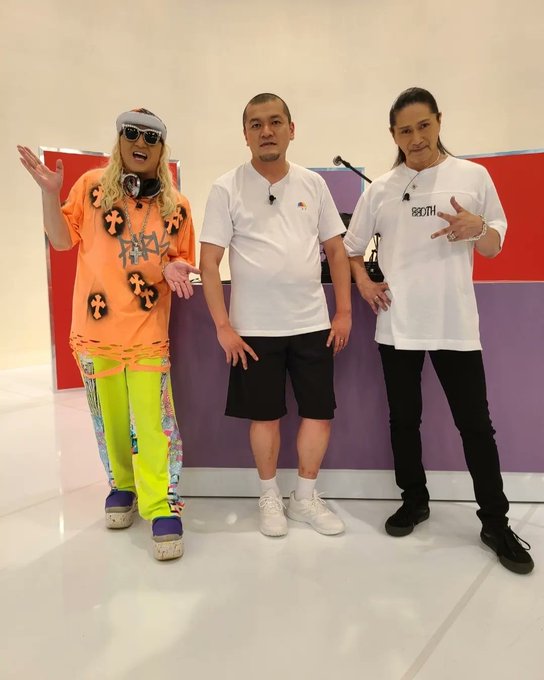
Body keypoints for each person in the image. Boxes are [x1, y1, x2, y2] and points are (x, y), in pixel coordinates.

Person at [344, 87, 534, 574]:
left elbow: (493, 245)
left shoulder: (473, 177)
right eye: (405, 130)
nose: (416, 138)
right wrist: (364, 282)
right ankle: (415, 500)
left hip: (454, 323)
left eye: (423, 126)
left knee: (476, 426)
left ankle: (495, 522)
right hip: (397, 324)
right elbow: (350, 249)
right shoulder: (381, 188)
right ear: (393, 135)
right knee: (404, 420)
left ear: (439, 122)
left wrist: (477, 227)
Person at [17, 108, 198, 561]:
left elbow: (180, 258)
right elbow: (62, 240)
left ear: (162, 148)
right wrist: (50, 195)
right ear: (118, 140)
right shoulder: (91, 188)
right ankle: (123, 485)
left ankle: (161, 502)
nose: (140, 142)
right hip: (95, 332)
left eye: (151, 137)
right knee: (110, 421)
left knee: (153, 424)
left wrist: (173, 267)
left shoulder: (177, 206)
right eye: (131, 133)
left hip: (147, 333)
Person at [199, 93, 352, 537]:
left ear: (291, 129)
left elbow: (336, 251)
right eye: (256, 124)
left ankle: (304, 498)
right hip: (253, 329)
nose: (266, 131)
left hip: (312, 324)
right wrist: (223, 326)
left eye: (275, 122)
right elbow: (209, 262)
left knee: (319, 413)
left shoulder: (313, 184)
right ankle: (269, 496)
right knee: (264, 416)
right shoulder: (226, 187)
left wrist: (343, 312)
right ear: (245, 134)